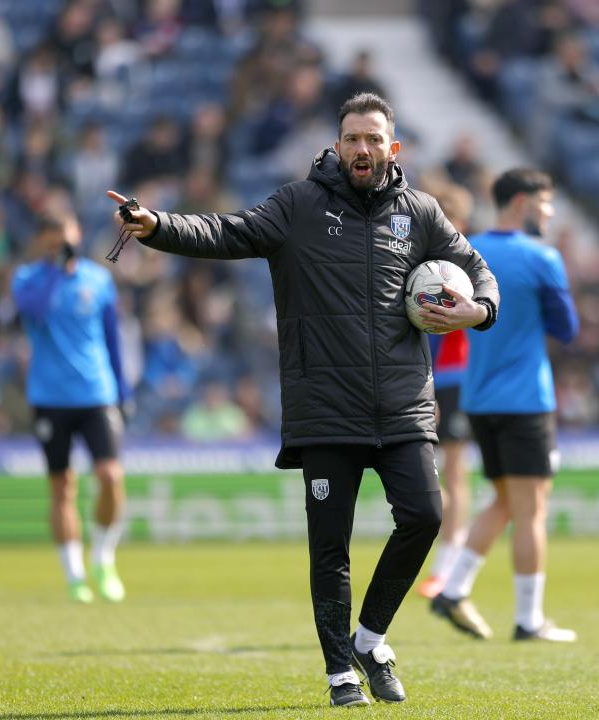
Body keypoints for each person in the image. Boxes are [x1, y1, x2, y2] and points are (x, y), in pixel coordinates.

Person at [107, 92, 499, 707]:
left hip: (402, 406)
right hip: (325, 409)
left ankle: (371, 639)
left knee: (425, 517)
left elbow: (475, 267)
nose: (362, 149)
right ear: (337, 146)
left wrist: (480, 310)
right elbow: (224, 231)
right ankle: (340, 671)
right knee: (330, 548)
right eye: (352, 139)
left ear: (392, 148)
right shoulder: (297, 206)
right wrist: (158, 225)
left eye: (373, 139)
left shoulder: (420, 213)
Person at [430, 168, 580, 642]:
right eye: (545, 202)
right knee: (532, 507)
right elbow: (568, 328)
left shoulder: (467, 253)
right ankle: (528, 619)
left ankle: (453, 589)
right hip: (525, 399)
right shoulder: (541, 257)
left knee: (504, 500)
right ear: (521, 203)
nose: (549, 212)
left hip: (478, 398)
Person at [11, 215, 131, 605]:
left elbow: (112, 339)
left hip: (97, 394)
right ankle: (75, 575)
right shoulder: (28, 279)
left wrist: (123, 391)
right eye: (54, 239)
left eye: (67, 237)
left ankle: (103, 558)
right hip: (49, 398)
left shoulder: (98, 280)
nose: (63, 244)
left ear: (78, 235)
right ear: (42, 242)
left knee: (110, 476)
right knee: (62, 487)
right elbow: (36, 311)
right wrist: (55, 270)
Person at [417, 183, 476, 600]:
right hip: (436, 377)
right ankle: (448, 563)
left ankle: (448, 567)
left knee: (453, 472)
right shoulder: (427, 265)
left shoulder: (466, 267)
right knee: (443, 474)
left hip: (457, 378)